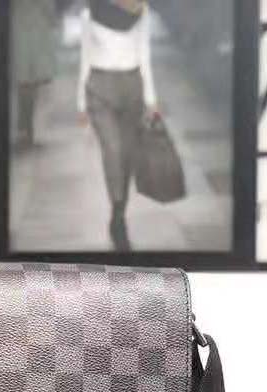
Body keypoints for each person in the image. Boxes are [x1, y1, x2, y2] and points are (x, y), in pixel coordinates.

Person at [77, 0, 158, 250]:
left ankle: (118, 212)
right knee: (113, 151)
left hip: (132, 87)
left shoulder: (141, 11)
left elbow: (144, 53)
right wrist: (81, 103)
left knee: (126, 156)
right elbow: (85, 56)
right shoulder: (90, 12)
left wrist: (151, 99)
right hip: (99, 88)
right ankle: (118, 216)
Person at [11, 0, 58, 149]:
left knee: (24, 87)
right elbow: (50, 12)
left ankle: (24, 132)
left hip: (19, 35)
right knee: (30, 88)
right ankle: (26, 132)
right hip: (35, 40)